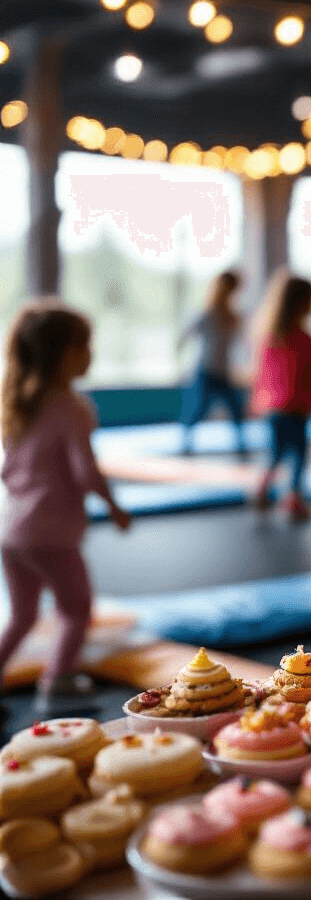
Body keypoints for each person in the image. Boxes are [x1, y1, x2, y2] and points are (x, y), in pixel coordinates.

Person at [0, 300, 132, 716]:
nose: (91, 354)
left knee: (21, 618)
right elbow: (85, 472)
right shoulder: (72, 407)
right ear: (63, 354)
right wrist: (113, 506)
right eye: (85, 345)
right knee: (77, 613)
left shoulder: (20, 405)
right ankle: (56, 684)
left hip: (12, 532)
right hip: (51, 535)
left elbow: (10, 469)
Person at [249, 271, 311, 522]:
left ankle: (262, 487)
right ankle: (294, 497)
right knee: (299, 453)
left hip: (272, 407)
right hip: (296, 406)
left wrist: (257, 402)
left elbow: (260, 375)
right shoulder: (305, 339)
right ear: (302, 304)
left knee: (275, 453)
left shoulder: (268, 337)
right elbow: (309, 377)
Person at [178, 269, 246, 457]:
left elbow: (239, 346)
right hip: (206, 371)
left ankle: (240, 445)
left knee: (236, 409)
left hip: (223, 372)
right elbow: (184, 337)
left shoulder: (233, 318)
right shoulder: (207, 315)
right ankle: (185, 444)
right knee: (197, 409)